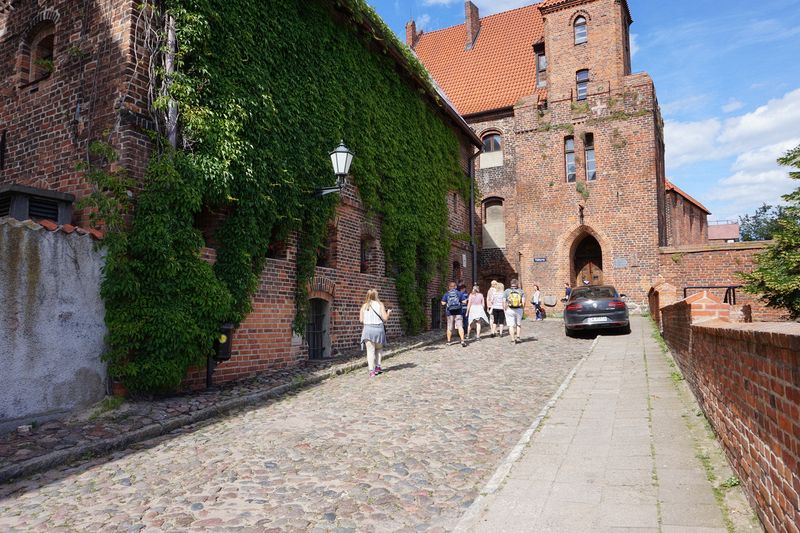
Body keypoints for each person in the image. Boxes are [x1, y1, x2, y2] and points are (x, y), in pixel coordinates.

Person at [360, 289, 391, 377]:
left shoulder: (363, 306)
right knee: (378, 349)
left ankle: (371, 371)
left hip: (367, 330)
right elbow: (385, 318)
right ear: (376, 296)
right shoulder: (380, 305)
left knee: (370, 351)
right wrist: (388, 313)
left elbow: (361, 320)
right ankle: (378, 367)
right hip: (378, 330)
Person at [441, 281, 467, 347]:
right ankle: (462, 341)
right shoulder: (459, 293)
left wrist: (448, 303)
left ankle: (449, 341)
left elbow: (442, 303)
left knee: (449, 327)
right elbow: (464, 302)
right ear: (455, 287)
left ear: (449, 287)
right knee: (460, 326)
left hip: (450, 312)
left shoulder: (447, 294)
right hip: (459, 312)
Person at [503, 279, 526, 344]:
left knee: (510, 325)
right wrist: (522, 309)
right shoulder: (521, 291)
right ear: (517, 284)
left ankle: (513, 340)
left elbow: (504, 301)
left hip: (509, 309)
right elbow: (523, 302)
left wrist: (504, 309)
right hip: (519, 309)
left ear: (511, 284)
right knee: (518, 324)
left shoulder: (507, 291)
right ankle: (518, 338)